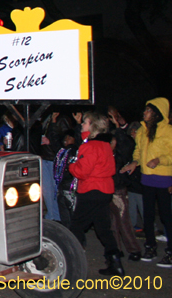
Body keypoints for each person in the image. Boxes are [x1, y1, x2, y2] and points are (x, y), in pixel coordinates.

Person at [69, 111, 124, 276]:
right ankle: (115, 263)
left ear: (92, 126)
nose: (82, 125)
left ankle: (73, 263)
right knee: (103, 229)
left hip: (92, 190)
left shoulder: (90, 146)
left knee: (76, 227)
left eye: (85, 123)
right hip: (104, 189)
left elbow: (82, 171)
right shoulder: (104, 145)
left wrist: (72, 166)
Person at [120, 97, 172, 267]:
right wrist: (135, 162)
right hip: (147, 177)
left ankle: (170, 252)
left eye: (149, 110)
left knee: (166, 215)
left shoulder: (168, 131)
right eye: (145, 110)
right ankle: (150, 247)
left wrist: (160, 160)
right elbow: (139, 150)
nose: (145, 113)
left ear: (157, 113)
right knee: (148, 216)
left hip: (164, 177)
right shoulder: (142, 130)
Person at [108, 106, 142, 261]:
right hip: (109, 189)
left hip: (119, 189)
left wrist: (117, 127)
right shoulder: (109, 153)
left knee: (124, 222)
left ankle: (134, 250)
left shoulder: (121, 152)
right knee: (113, 223)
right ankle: (117, 249)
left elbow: (125, 145)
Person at [39, 111, 70, 222]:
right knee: (47, 190)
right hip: (44, 156)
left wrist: (50, 142)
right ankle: (51, 215)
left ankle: (58, 217)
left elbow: (66, 140)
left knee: (55, 189)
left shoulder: (63, 118)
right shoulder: (44, 116)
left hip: (54, 159)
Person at [54, 130, 79, 229]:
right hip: (62, 186)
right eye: (66, 138)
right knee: (64, 216)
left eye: (69, 138)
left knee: (73, 215)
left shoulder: (74, 152)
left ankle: (77, 239)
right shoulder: (61, 151)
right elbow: (54, 141)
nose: (66, 140)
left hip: (71, 187)